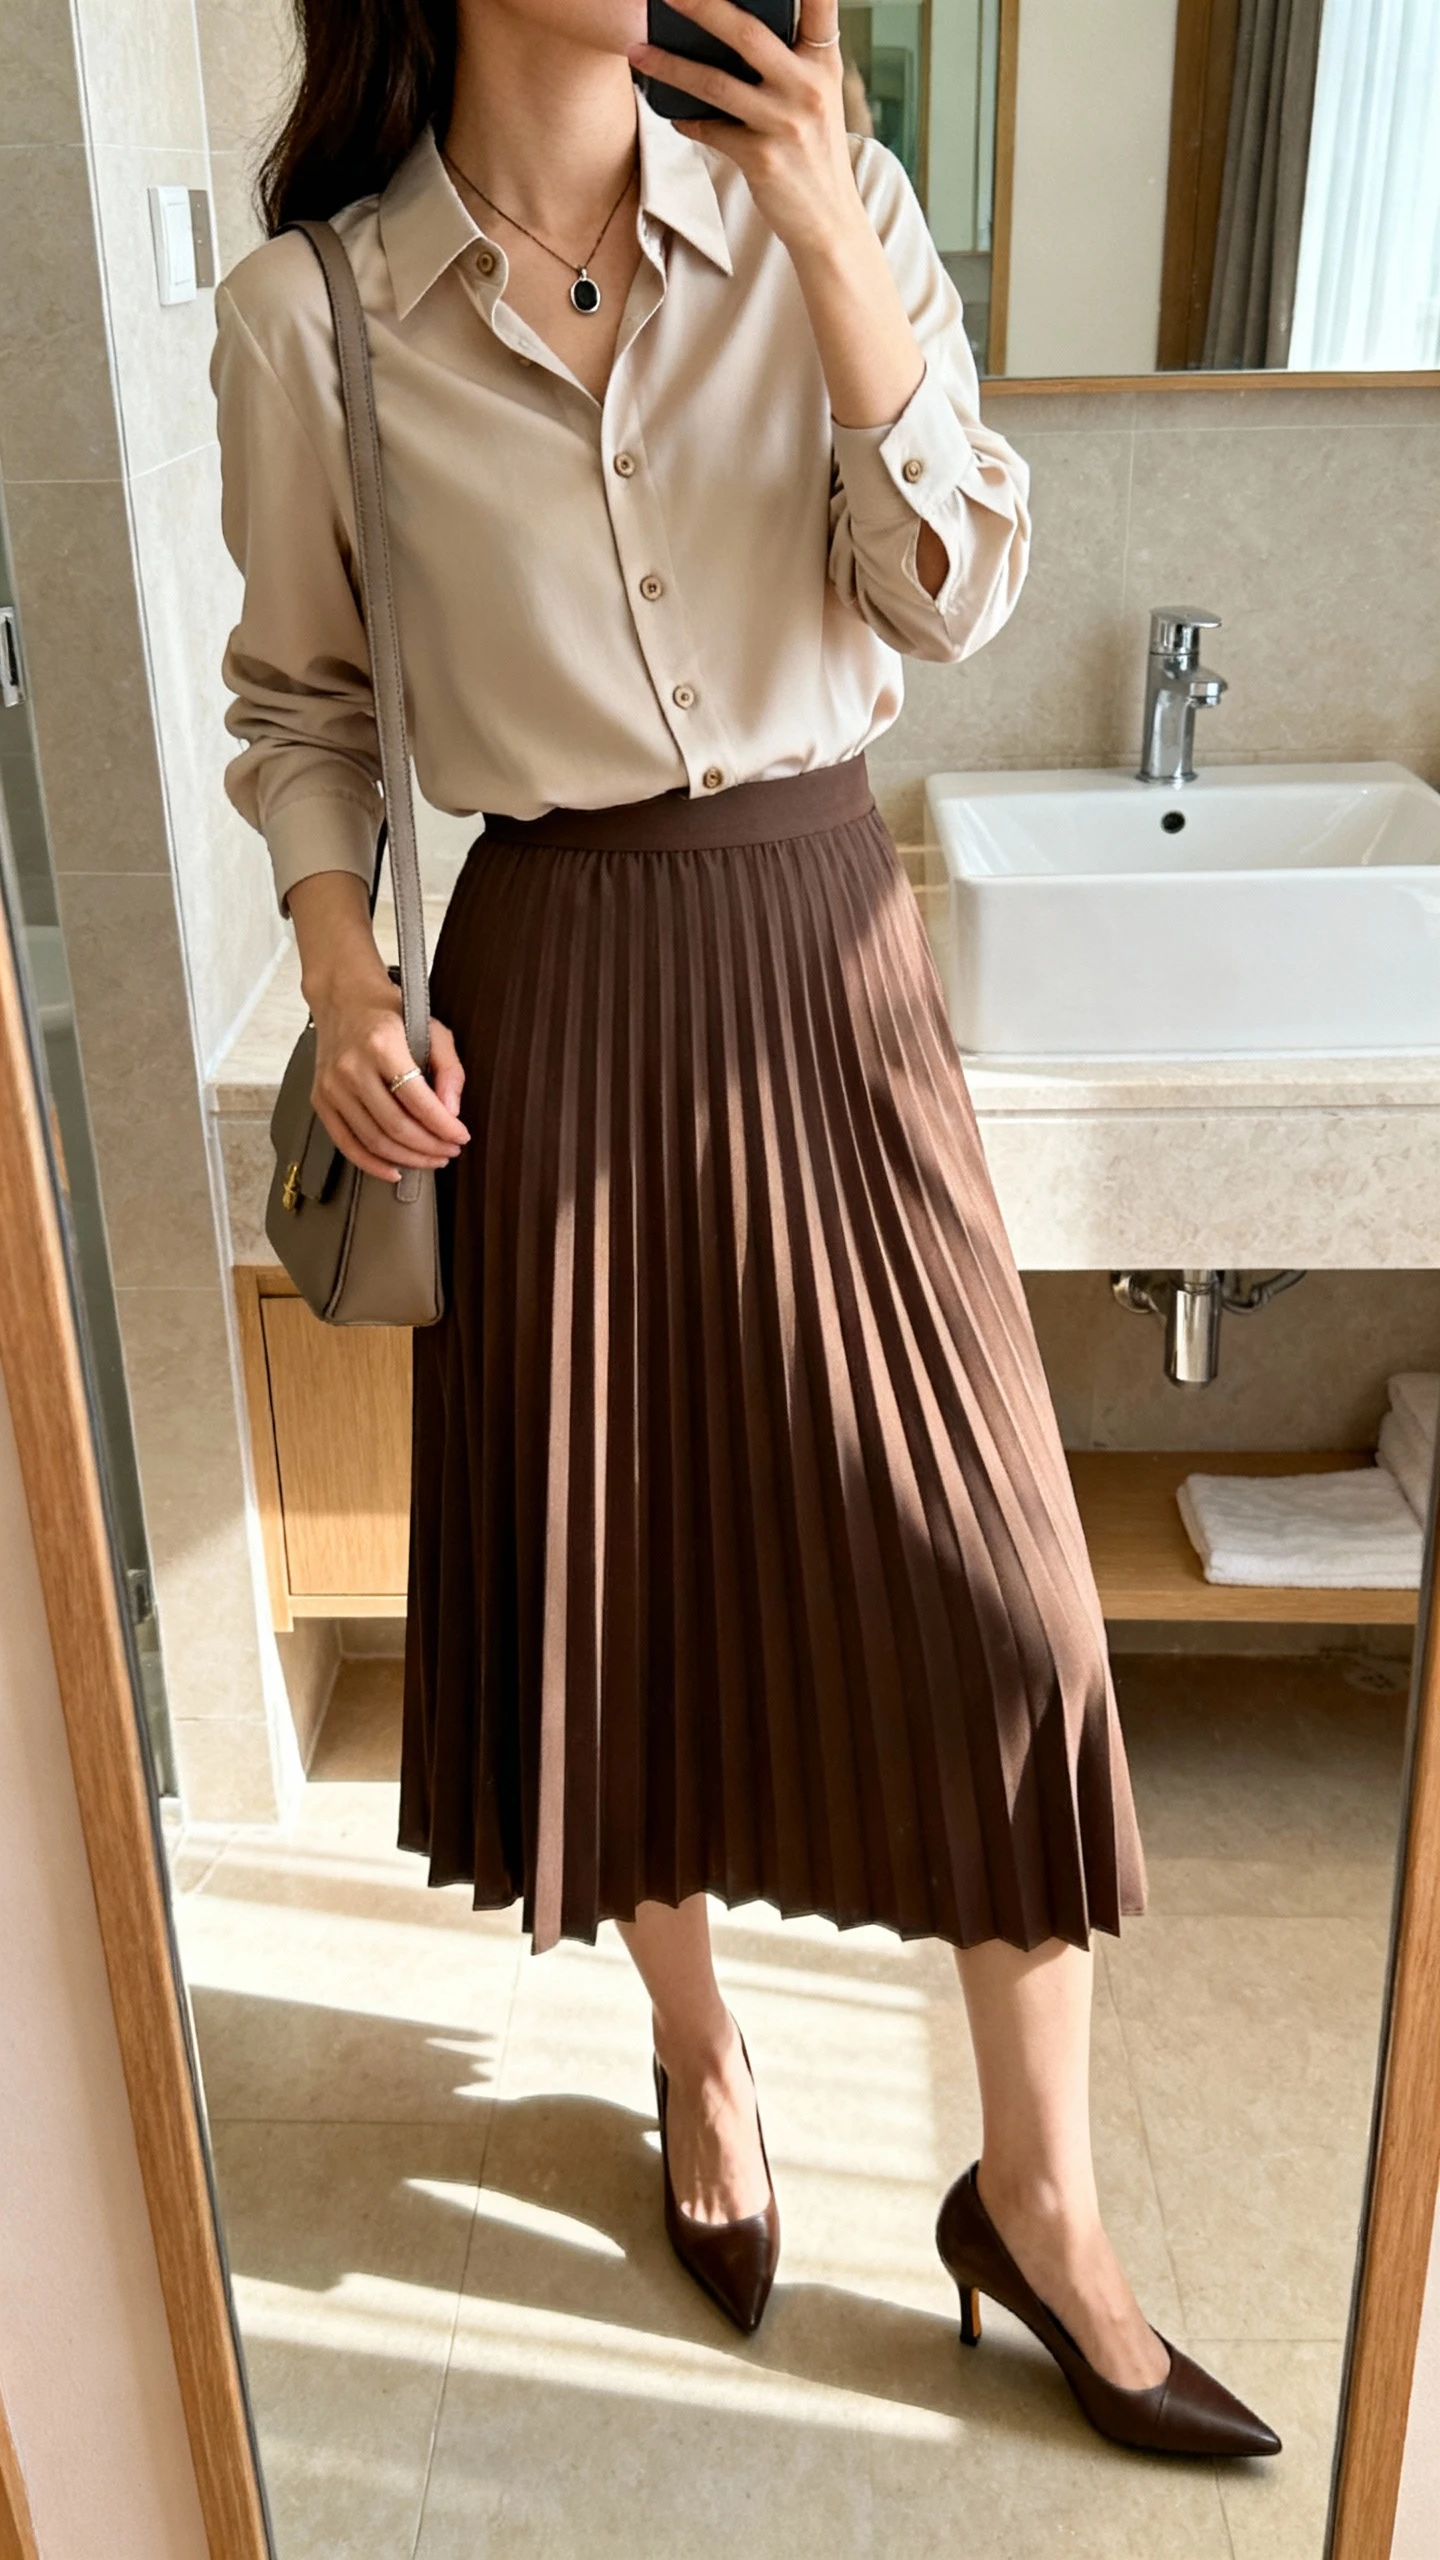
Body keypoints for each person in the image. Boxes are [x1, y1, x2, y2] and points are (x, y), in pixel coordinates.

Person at [210, 0, 1278, 2459]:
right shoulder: (318, 316)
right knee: (637, 1593)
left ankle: (1040, 2201)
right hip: (552, 1000)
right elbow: (302, 702)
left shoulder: (828, 212)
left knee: (1013, 1608)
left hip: (820, 949)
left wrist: (827, 238)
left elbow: (955, 586)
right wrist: (347, 972)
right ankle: (701, 2054)